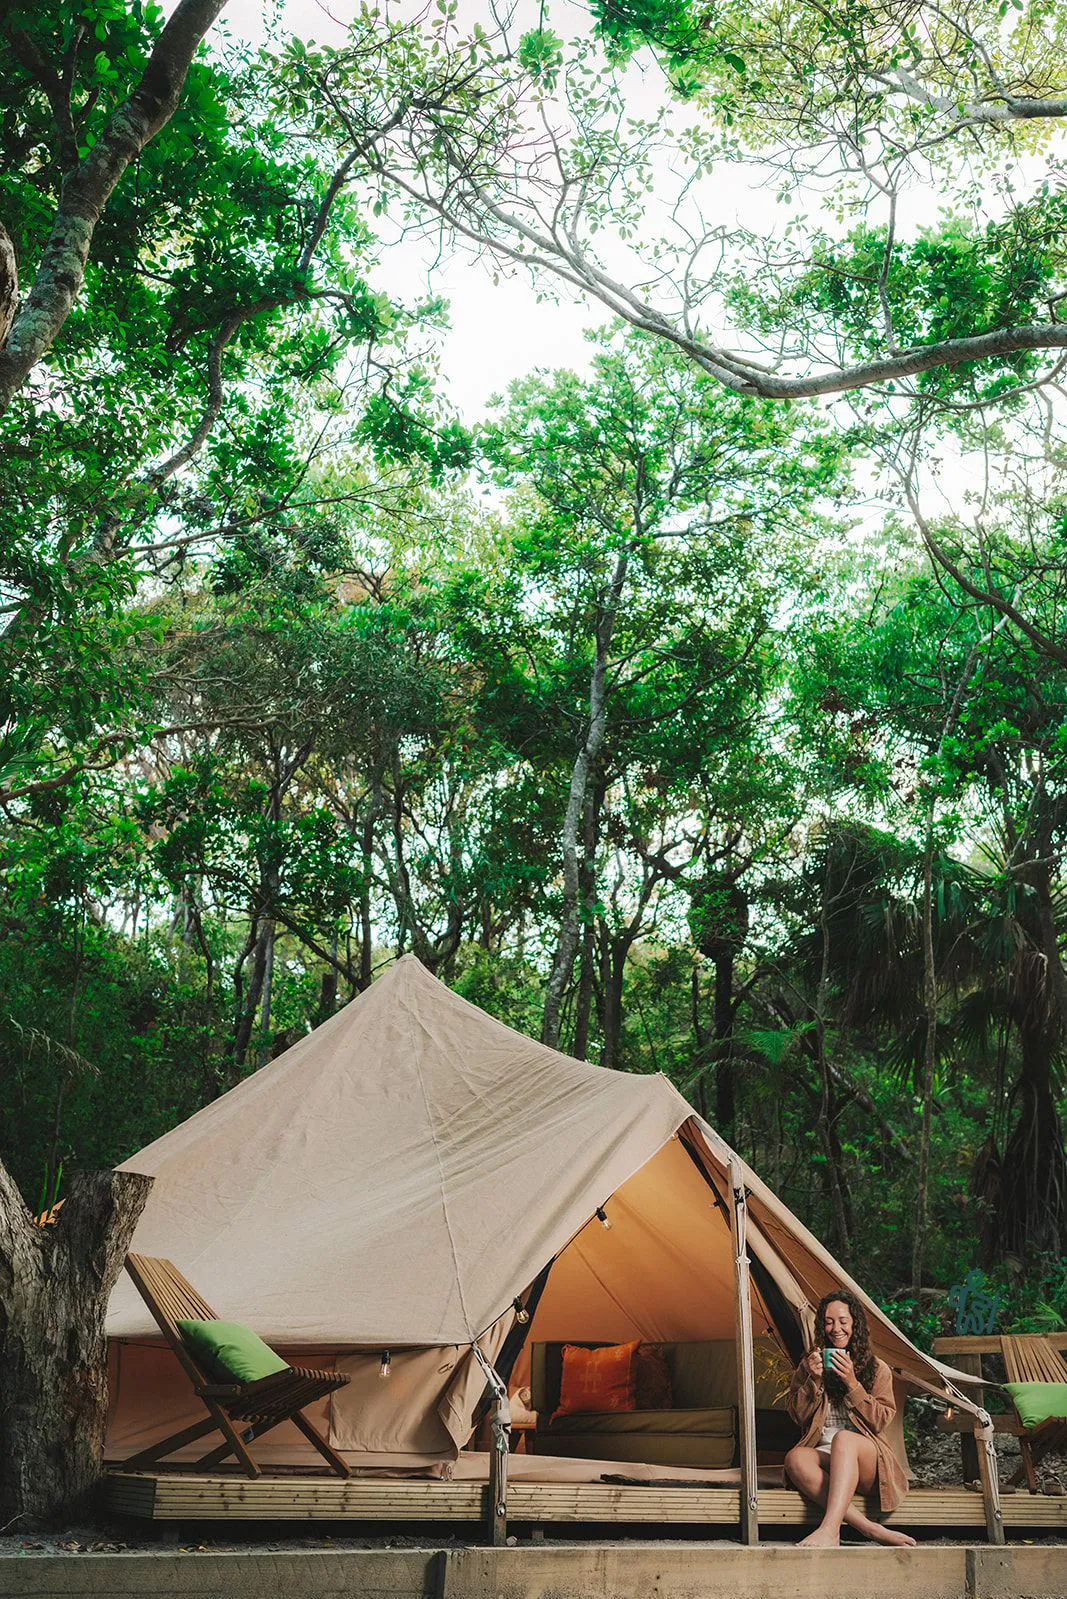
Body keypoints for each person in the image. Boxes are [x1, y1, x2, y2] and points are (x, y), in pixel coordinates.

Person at [784, 1288, 915, 1547]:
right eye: (829, 1322)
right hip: (827, 1458)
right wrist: (814, 1380)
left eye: (843, 1321)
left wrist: (853, 1384)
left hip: (867, 1460)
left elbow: (880, 1421)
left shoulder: (877, 1369)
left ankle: (830, 1530)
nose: (836, 1329)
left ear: (855, 1324)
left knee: (844, 1438)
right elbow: (797, 1416)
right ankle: (869, 1528)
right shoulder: (811, 1364)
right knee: (795, 1458)